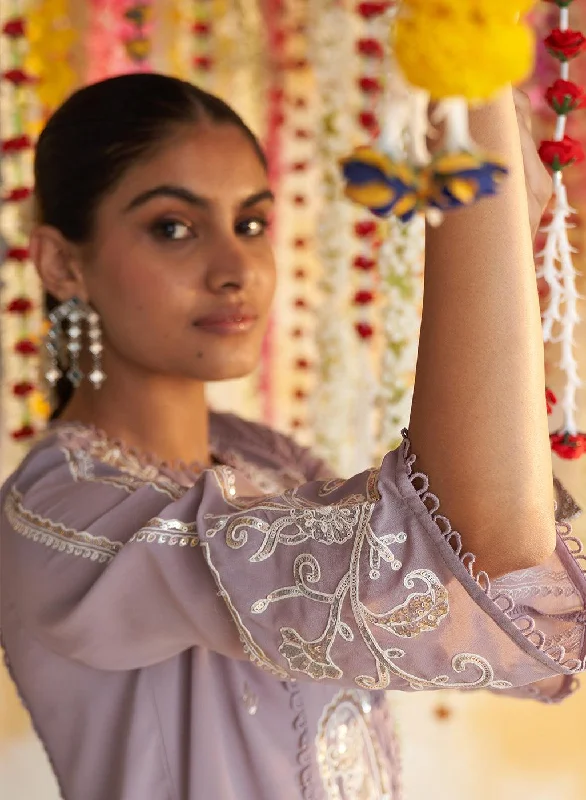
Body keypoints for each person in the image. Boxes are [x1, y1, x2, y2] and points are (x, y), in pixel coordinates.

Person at [0, 72, 584, 800]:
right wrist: (480, 178)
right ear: (62, 263)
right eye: (174, 228)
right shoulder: (59, 515)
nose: (235, 268)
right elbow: (475, 545)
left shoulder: (264, 458)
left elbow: (474, 578)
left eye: (250, 224)